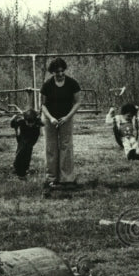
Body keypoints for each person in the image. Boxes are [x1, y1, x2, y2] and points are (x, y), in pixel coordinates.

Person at [40, 58, 82, 188]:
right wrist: (51, 118)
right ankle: (51, 178)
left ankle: (67, 178)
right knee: (51, 147)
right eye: (57, 72)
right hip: (50, 119)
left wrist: (67, 117)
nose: (60, 74)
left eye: (62, 71)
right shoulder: (47, 85)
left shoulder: (72, 83)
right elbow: (42, 105)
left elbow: (77, 102)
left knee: (66, 146)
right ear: (52, 72)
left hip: (66, 118)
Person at [9, 107, 43, 178]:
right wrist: (13, 119)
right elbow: (12, 125)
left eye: (32, 123)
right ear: (25, 120)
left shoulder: (37, 122)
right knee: (20, 152)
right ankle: (18, 169)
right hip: (22, 139)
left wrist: (40, 119)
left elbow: (43, 123)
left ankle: (24, 169)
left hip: (32, 139)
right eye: (28, 123)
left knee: (27, 153)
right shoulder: (21, 122)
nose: (30, 125)